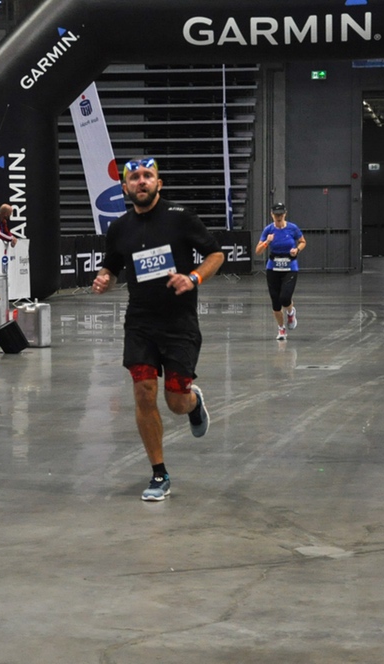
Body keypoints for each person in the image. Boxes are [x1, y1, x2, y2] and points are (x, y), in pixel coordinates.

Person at [92, 157, 223, 501]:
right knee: (143, 392)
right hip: (140, 323)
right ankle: (159, 473)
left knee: (176, 401)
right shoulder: (119, 228)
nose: (141, 181)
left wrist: (193, 278)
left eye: (148, 176)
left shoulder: (180, 217)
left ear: (159, 184)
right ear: (125, 188)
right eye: (134, 177)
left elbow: (216, 255)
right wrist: (104, 278)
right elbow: (111, 267)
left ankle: (193, 404)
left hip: (179, 323)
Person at [256, 202, 305, 340]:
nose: (279, 217)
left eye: (281, 214)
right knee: (276, 301)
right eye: (276, 215)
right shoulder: (268, 230)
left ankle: (290, 312)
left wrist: (297, 250)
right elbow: (258, 251)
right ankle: (281, 329)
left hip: (290, 267)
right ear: (272, 215)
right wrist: (267, 242)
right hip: (273, 267)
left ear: (285, 214)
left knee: (285, 297)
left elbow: (302, 241)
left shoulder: (292, 228)